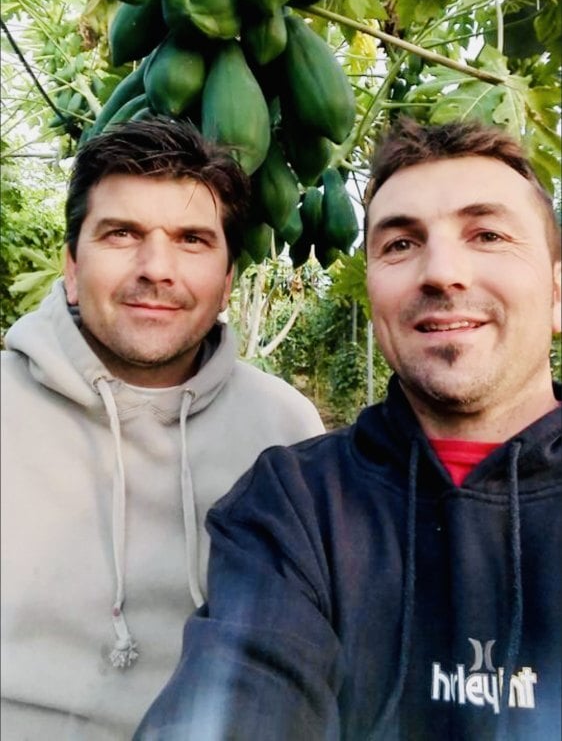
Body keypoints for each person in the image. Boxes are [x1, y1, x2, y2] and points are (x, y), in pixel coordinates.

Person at [134, 118, 562, 741]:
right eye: (400, 244)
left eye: (488, 234)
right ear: (372, 289)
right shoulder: (291, 502)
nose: (442, 272)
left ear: (557, 294)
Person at [0, 116, 324, 740]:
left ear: (228, 280)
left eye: (192, 240)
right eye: (121, 233)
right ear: (70, 265)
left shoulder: (285, 431)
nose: (156, 267)